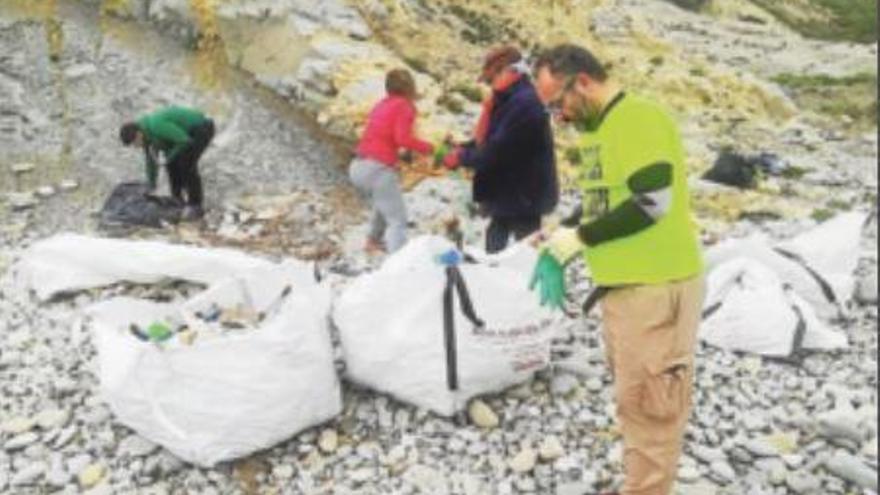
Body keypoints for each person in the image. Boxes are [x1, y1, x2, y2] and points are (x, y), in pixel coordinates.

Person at [529, 44, 705, 495]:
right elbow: (599, 203)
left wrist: (581, 239)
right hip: (624, 291)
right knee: (633, 398)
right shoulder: (597, 132)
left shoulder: (639, 120)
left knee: (651, 405)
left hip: (656, 288)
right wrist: (561, 232)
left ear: (582, 82)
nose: (559, 116)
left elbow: (652, 203)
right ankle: (641, 479)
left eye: (558, 103)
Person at [443, 46, 558, 254]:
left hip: (523, 197)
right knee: (497, 246)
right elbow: (491, 140)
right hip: (510, 194)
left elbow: (495, 150)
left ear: (509, 72)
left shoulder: (524, 103)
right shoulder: (510, 100)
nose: (489, 85)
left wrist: (462, 157)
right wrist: (464, 148)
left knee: (527, 253)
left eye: (490, 79)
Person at [350, 68, 436, 253]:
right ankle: (400, 266)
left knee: (385, 202)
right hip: (377, 169)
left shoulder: (382, 104)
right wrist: (428, 148)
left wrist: (402, 155)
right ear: (410, 88)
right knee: (398, 220)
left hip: (358, 165)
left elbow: (384, 135)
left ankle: (373, 241)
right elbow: (402, 139)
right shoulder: (405, 106)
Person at [119, 106, 215, 220]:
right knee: (171, 164)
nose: (135, 146)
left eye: (134, 143)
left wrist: (169, 157)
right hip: (184, 136)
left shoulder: (156, 126)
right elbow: (151, 163)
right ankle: (177, 201)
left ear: (138, 134)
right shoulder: (147, 138)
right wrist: (150, 186)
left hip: (201, 128)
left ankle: (195, 206)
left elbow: (184, 140)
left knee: (186, 164)